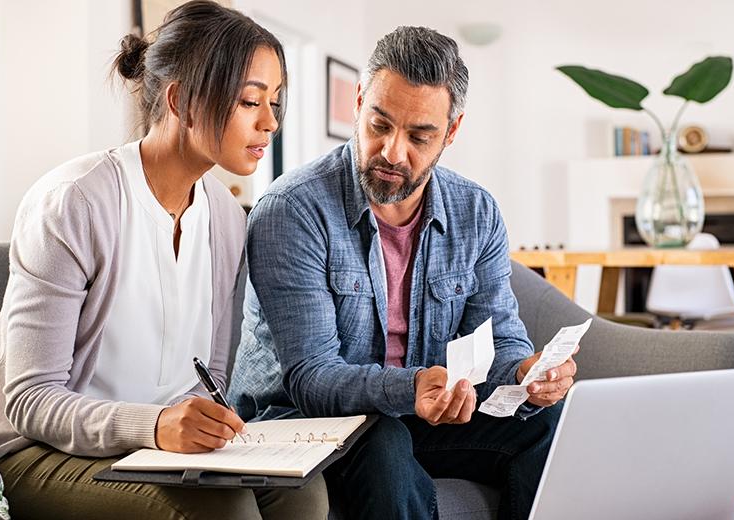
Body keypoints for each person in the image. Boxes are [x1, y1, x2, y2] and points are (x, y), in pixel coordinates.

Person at [0, 2, 327, 518]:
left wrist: (214, 427)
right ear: (180, 100)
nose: (270, 122)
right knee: (223, 511)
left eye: (275, 101)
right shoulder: (74, 203)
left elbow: (212, 377)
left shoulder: (227, 219)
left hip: (151, 452)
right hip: (33, 454)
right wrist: (155, 426)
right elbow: (30, 400)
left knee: (304, 494)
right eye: (250, 101)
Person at [228, 26, 578, 520]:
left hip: (417, 409)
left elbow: (500, 338)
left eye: (419, 136)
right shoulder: (292, 210)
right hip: (298, 419)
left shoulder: (476, 212)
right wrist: (412, 389)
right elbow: (310, 377)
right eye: (380, 125)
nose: (393, 152)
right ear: (358, 103)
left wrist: (525, 375)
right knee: (385, 438)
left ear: (450, 133)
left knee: (552, 422)